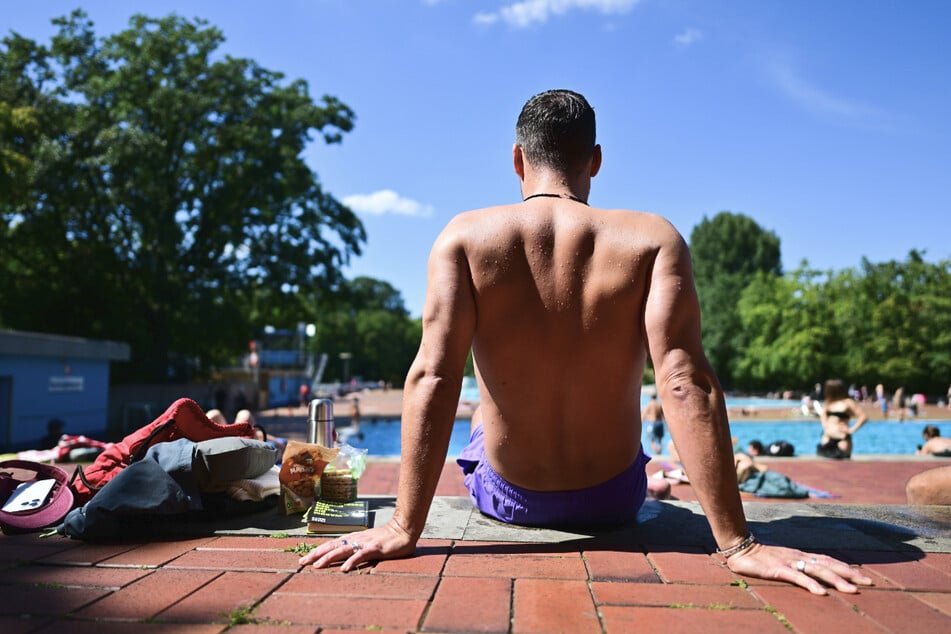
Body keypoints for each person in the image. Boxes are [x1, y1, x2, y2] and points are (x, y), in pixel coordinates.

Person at [299, 89, 870, 594]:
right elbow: (683, 380)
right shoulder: (653, 238)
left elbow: (434, 376)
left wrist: (403, 527)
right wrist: (739, 544)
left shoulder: (465, 237)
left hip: (510, 496)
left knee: (477, 410)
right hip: (614, 498)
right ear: (594, 160)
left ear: (518, 160)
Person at [816, 379, 868, 459]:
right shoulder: (828, 402)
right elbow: (823, 416)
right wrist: (826, 427)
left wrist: (851, 429)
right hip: (827, 437)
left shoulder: (848, 402)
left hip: (842, 438)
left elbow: (863, 417)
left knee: (841, 462)